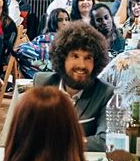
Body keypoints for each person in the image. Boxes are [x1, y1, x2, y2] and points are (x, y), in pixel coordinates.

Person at [33, 22, 112, 151]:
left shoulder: (105, 93)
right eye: (75, 56)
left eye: (88, 58)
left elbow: (105, 141)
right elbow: (22, 132)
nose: (81, 65)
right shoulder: (41, 84)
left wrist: (60, 143)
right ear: (62, 58)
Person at [16, 8, 70, 80]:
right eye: (60, 20)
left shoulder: (71, 38)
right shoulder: (45, 37)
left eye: (66, 19)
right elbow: (25, 49)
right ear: (53, 22)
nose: (64, 23)